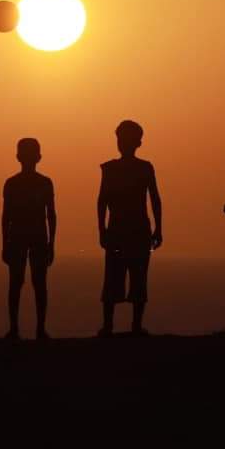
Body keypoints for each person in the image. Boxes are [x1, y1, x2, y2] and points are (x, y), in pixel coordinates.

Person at [97, 120, 163, 337]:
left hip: (134, 230)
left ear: (137, 142)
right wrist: (102, 230)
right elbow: (102, 201)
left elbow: (154, 199)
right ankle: (112, 326)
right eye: (120, 138)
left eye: (124, 139)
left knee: (137, 277)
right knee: (116, 277)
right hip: (121, 230)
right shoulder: (111, 168)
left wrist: (158, 228)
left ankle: (128, 326)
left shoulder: (144, 168)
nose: (121, 143)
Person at [2, 138, 56, 340]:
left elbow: (6, 216)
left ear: (18, 157)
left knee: (22, 284)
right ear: (39, 157)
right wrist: (52, 243)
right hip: (32, 237)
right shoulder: (41, 183)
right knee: (32, 284)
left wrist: (4, 242)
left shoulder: (17, 183)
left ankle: (22, 329)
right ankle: (33, 329)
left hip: (27, 237)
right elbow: (51, 215)